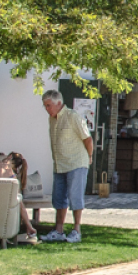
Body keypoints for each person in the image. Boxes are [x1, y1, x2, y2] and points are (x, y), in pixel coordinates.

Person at [40, 90, 93, 243]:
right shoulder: (52, 120)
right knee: (58, 198)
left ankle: (76, 230)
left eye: (49, 105)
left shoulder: (73, 117)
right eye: (45, 106)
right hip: (60, 164)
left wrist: (89, 156)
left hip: (76, 163)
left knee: (75, 197)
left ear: (58, 103)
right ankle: (59, 230)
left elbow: (87, 139)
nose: (47, 109)